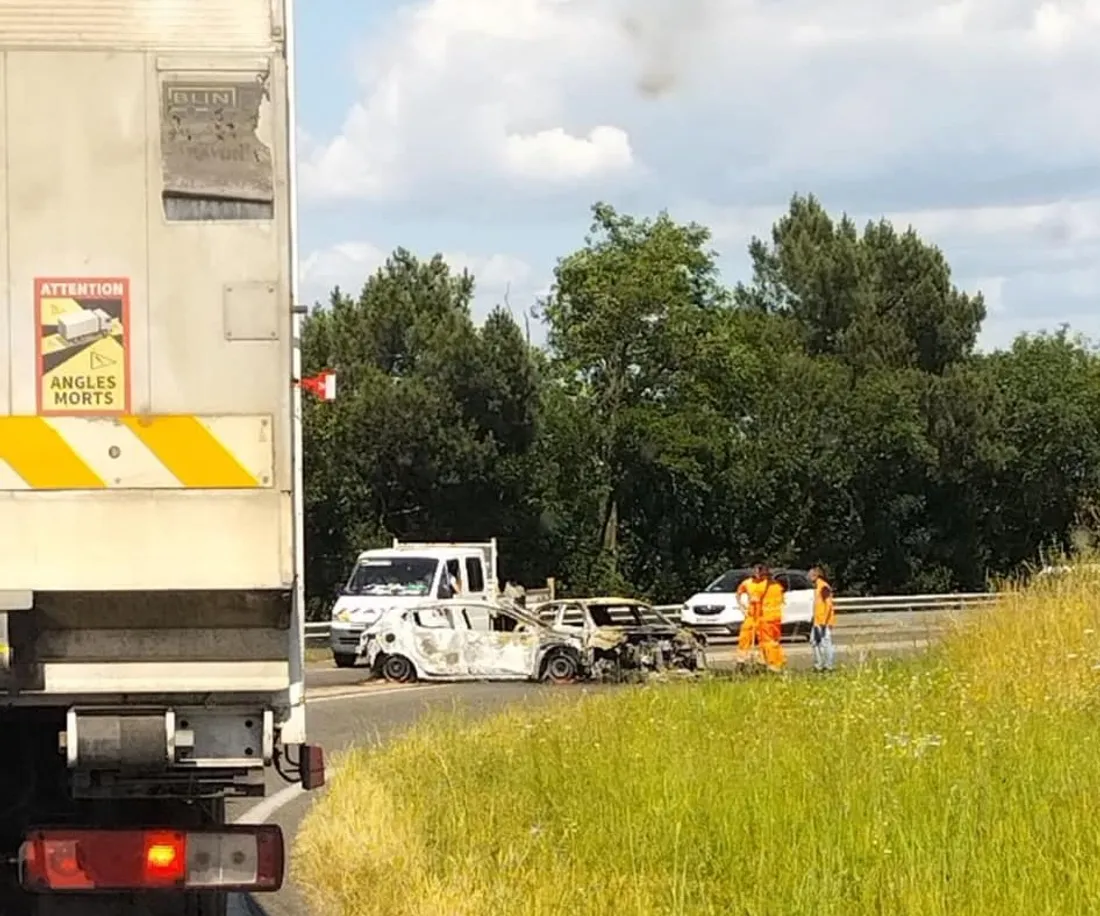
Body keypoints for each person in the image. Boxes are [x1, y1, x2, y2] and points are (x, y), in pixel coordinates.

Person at [736, 564, 786, 671]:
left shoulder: (772, 585)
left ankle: (768, 664)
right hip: (755, 616)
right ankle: (743, 661)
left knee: (768, 642)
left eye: (760, 571)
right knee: (745, 638)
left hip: (767, 617)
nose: (758, 573)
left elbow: (776, 600)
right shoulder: (749, 583)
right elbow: (739, 594)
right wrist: (742, 607)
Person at [808, 565, 836, 672]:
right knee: (814, 641)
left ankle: (829, 666)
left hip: (823, 621)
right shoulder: (816, 587)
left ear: (816, 575)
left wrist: (824, 621)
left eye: (810, 574)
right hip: (817, 621)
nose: (808, 577)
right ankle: (819, 664)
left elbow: (828, 605)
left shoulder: (823, 587)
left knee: (825, 643)